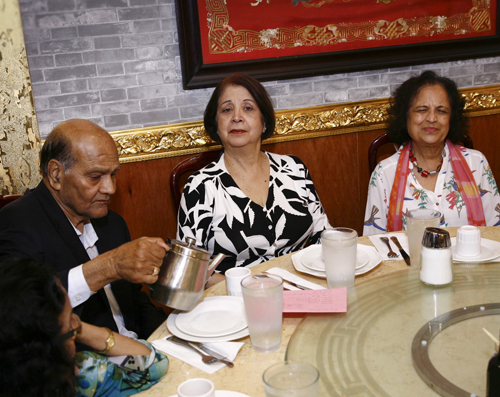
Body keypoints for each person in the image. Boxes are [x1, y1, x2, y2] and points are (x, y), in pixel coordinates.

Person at [0, 119, 168, 340]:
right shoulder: (17, 221)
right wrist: (109, 266)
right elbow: (19, 309)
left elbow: (134, 302)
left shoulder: (112, 223)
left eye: (114, 174)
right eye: (95, 177)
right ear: (56, 174)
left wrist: (166, 342)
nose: (111, 189)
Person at [177, 73, 331, 286]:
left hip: (303, 289)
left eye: (248, 108)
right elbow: (189, 271)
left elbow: (324, 236)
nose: (237, 117)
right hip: (234, 303)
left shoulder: (294, 168)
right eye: (227, 109)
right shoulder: (200, 187)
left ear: (264, 122)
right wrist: (250, 288)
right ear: (216, 123)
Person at [0, 258, 169, 397]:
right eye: (71, 326)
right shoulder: (80, 380)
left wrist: (75, 327)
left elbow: (150, 365)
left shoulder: (87, 371)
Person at [363, 70, 500, 235]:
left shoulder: (476, 163)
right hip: (408, 261)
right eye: (422, 109)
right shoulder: (384, 174)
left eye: (441, 111)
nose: (432, 118)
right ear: (405, 116)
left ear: (451, 119)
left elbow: (495, 233)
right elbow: (375, 244)